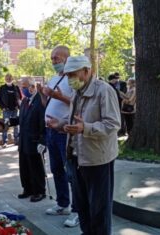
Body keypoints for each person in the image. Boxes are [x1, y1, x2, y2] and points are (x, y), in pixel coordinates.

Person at [47, 56, 120, 235]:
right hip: (76, 158)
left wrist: (85, 128)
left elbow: (112, 124)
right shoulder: (77, 92)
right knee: (83, 207)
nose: (70, 78)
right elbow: (75, 120)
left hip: (97, 160)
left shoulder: (104, 90)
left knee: (99, 209)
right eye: (68, 74)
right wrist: (61, 124)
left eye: (73, 74)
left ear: (87, 71)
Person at [37, 46, 79, 227]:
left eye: (56, 58)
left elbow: (78, 103)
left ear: (67, 58)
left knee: (72, 172)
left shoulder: (74, 79)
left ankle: (78, 211)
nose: (53, 61)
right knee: (56, 169)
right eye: (52, 58)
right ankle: (63, 204)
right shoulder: (55, 78)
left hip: (64, 132)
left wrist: (58, 96)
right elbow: (48, 103)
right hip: (50, 132)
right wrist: (43, 96)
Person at [16, 77, 46, 202]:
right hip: (23, 141)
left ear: (32, 87)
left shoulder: (40, 101)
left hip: (34, 141)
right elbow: (21, 119)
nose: (22, 89)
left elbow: (43, 123)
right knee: (24, 166)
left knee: (36, 167)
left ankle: (39, 191)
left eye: (24, 86)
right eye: (21, 87)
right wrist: (9, 121)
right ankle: (27, 189)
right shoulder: (24, 101)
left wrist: (42, 141)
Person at [0, 74, 22, 147]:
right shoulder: (2, 88)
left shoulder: (16, 87)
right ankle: (4, 142)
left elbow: (20, 97)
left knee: (16, 126)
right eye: (7, 78)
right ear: (5, 79)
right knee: (5, 125)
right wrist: (3, 107)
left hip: (14, 109)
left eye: (10, 78)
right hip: (6, 110)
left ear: (12, 78)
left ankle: (16, 141)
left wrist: (18, 106)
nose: (8, 79)